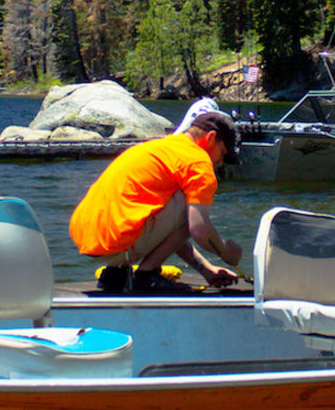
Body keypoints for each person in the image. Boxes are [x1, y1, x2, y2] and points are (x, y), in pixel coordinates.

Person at [70, 109, 243, 291]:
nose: (221, 162)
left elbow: (170, 233)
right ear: (210, 138)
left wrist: (208, 271)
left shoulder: (160, 148)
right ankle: (146, 277)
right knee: (192, 208)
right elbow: (198, 229)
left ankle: (115, 273)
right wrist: (226, 252)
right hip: (118, 243)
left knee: (168, 204)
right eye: (223, 154)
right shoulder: (198, 161)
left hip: (90, 241)